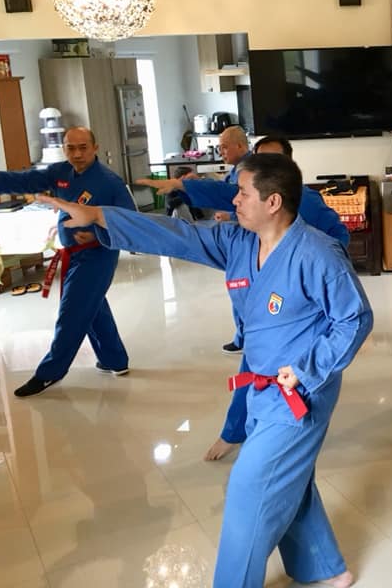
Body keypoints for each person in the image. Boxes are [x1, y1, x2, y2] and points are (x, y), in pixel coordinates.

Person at [41, 152, 372, 588]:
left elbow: (355, 319)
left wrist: (307, 369)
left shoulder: (317, 253)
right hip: (261, 387)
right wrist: (102, 216)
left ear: (273, 202)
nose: (234, 200)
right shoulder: (239, 242)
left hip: (301, 393)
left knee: (250, 488)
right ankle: (325, 567)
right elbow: (178, 235)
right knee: (288, 476)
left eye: (243, 192)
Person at [138, 134, 350, 461]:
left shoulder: (308, 211)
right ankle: (245, 432)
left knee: (278, 416)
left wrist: (326, 276)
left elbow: (350, 310)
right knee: (256, 373)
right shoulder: (246, 210)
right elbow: (224, 196)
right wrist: (186, 187)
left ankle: (239, 435)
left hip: (298, 317)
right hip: (260, 312)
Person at [0, 127, 137, 397]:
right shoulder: (60, 172)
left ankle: (49, 372)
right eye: (70, 148)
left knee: (72, 313)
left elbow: (130, 220)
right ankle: (115, 359)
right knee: (92, 305)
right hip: (73, 252)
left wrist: (96, 232)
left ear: (95, 148)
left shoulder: (109, 182)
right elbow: (28, 180)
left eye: (83, 148)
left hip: (98, 254)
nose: (77, 154)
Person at [212, 125, 251, 222]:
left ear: (239, 146)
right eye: (219, 148)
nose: (221, 153)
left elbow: (255, 207)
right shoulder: (237, 167)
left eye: (224, 147)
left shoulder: (250, 170)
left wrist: (231, 216)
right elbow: (222, 188)